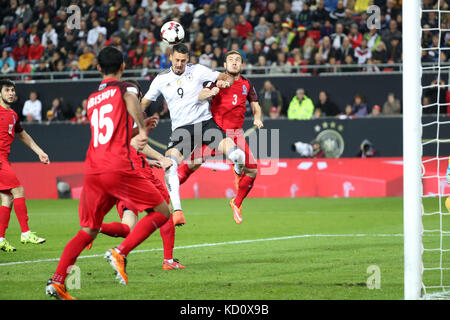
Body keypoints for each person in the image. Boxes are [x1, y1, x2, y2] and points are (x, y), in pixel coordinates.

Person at [46, 46, 171, 300]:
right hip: (118, 166)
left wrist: (138, 129)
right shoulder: (124, 88)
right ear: (123, 66)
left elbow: (112, 134)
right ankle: (120, 252)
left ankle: (57, 282)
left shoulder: (92, 100)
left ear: (98, 68)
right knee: (162, 212)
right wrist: (142, 127)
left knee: (87, 230)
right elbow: (132, 101)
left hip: (93, 168)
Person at [86, 80, 185, 270]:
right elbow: (136, 144)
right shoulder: (133, 113)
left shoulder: (111, 113)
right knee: (165, 213)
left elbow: (125, 147)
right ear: (138, 95)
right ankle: (168, 261)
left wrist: (149, 160)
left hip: (120, 171)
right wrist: (161, 158)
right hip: (138, 173)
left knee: (128, 227)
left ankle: (96, 227)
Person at [140, 43, 240, 228]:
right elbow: (144, 102)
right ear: (170, 58)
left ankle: (239, 174)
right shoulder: (161, 79)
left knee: (238, 155)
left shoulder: (198, 70)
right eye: (177, 60)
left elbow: (225, 77)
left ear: (188, 60)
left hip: (205, 124)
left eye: (183, 61)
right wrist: (134, 120)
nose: (179, 64)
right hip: (182, 130)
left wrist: (223, 82)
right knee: (169, 166)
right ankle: (177, 211)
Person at [175, 50, 263, 224]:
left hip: (236, 134)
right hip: (214, 133)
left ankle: (236, 203)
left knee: (253, 170)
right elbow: (200, 96)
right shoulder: (217, 79)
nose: (234, 62)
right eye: (231, 60)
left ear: (242, 65)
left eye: (238, 60)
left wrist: (257, 118)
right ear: (225, 64)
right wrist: (213, 91)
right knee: (189, 166)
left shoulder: (247, 84)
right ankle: (166, 193)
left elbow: (256, 105)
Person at [0, 79, 48, 253]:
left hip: (4, 159)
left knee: (8, 198)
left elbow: (23, 135)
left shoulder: (12, 115)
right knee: (18, 190)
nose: (11, 93)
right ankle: (26, 233)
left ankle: (1, 238)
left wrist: (39, 151)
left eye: (12, 90)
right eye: (7, 90)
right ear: (0, 93)